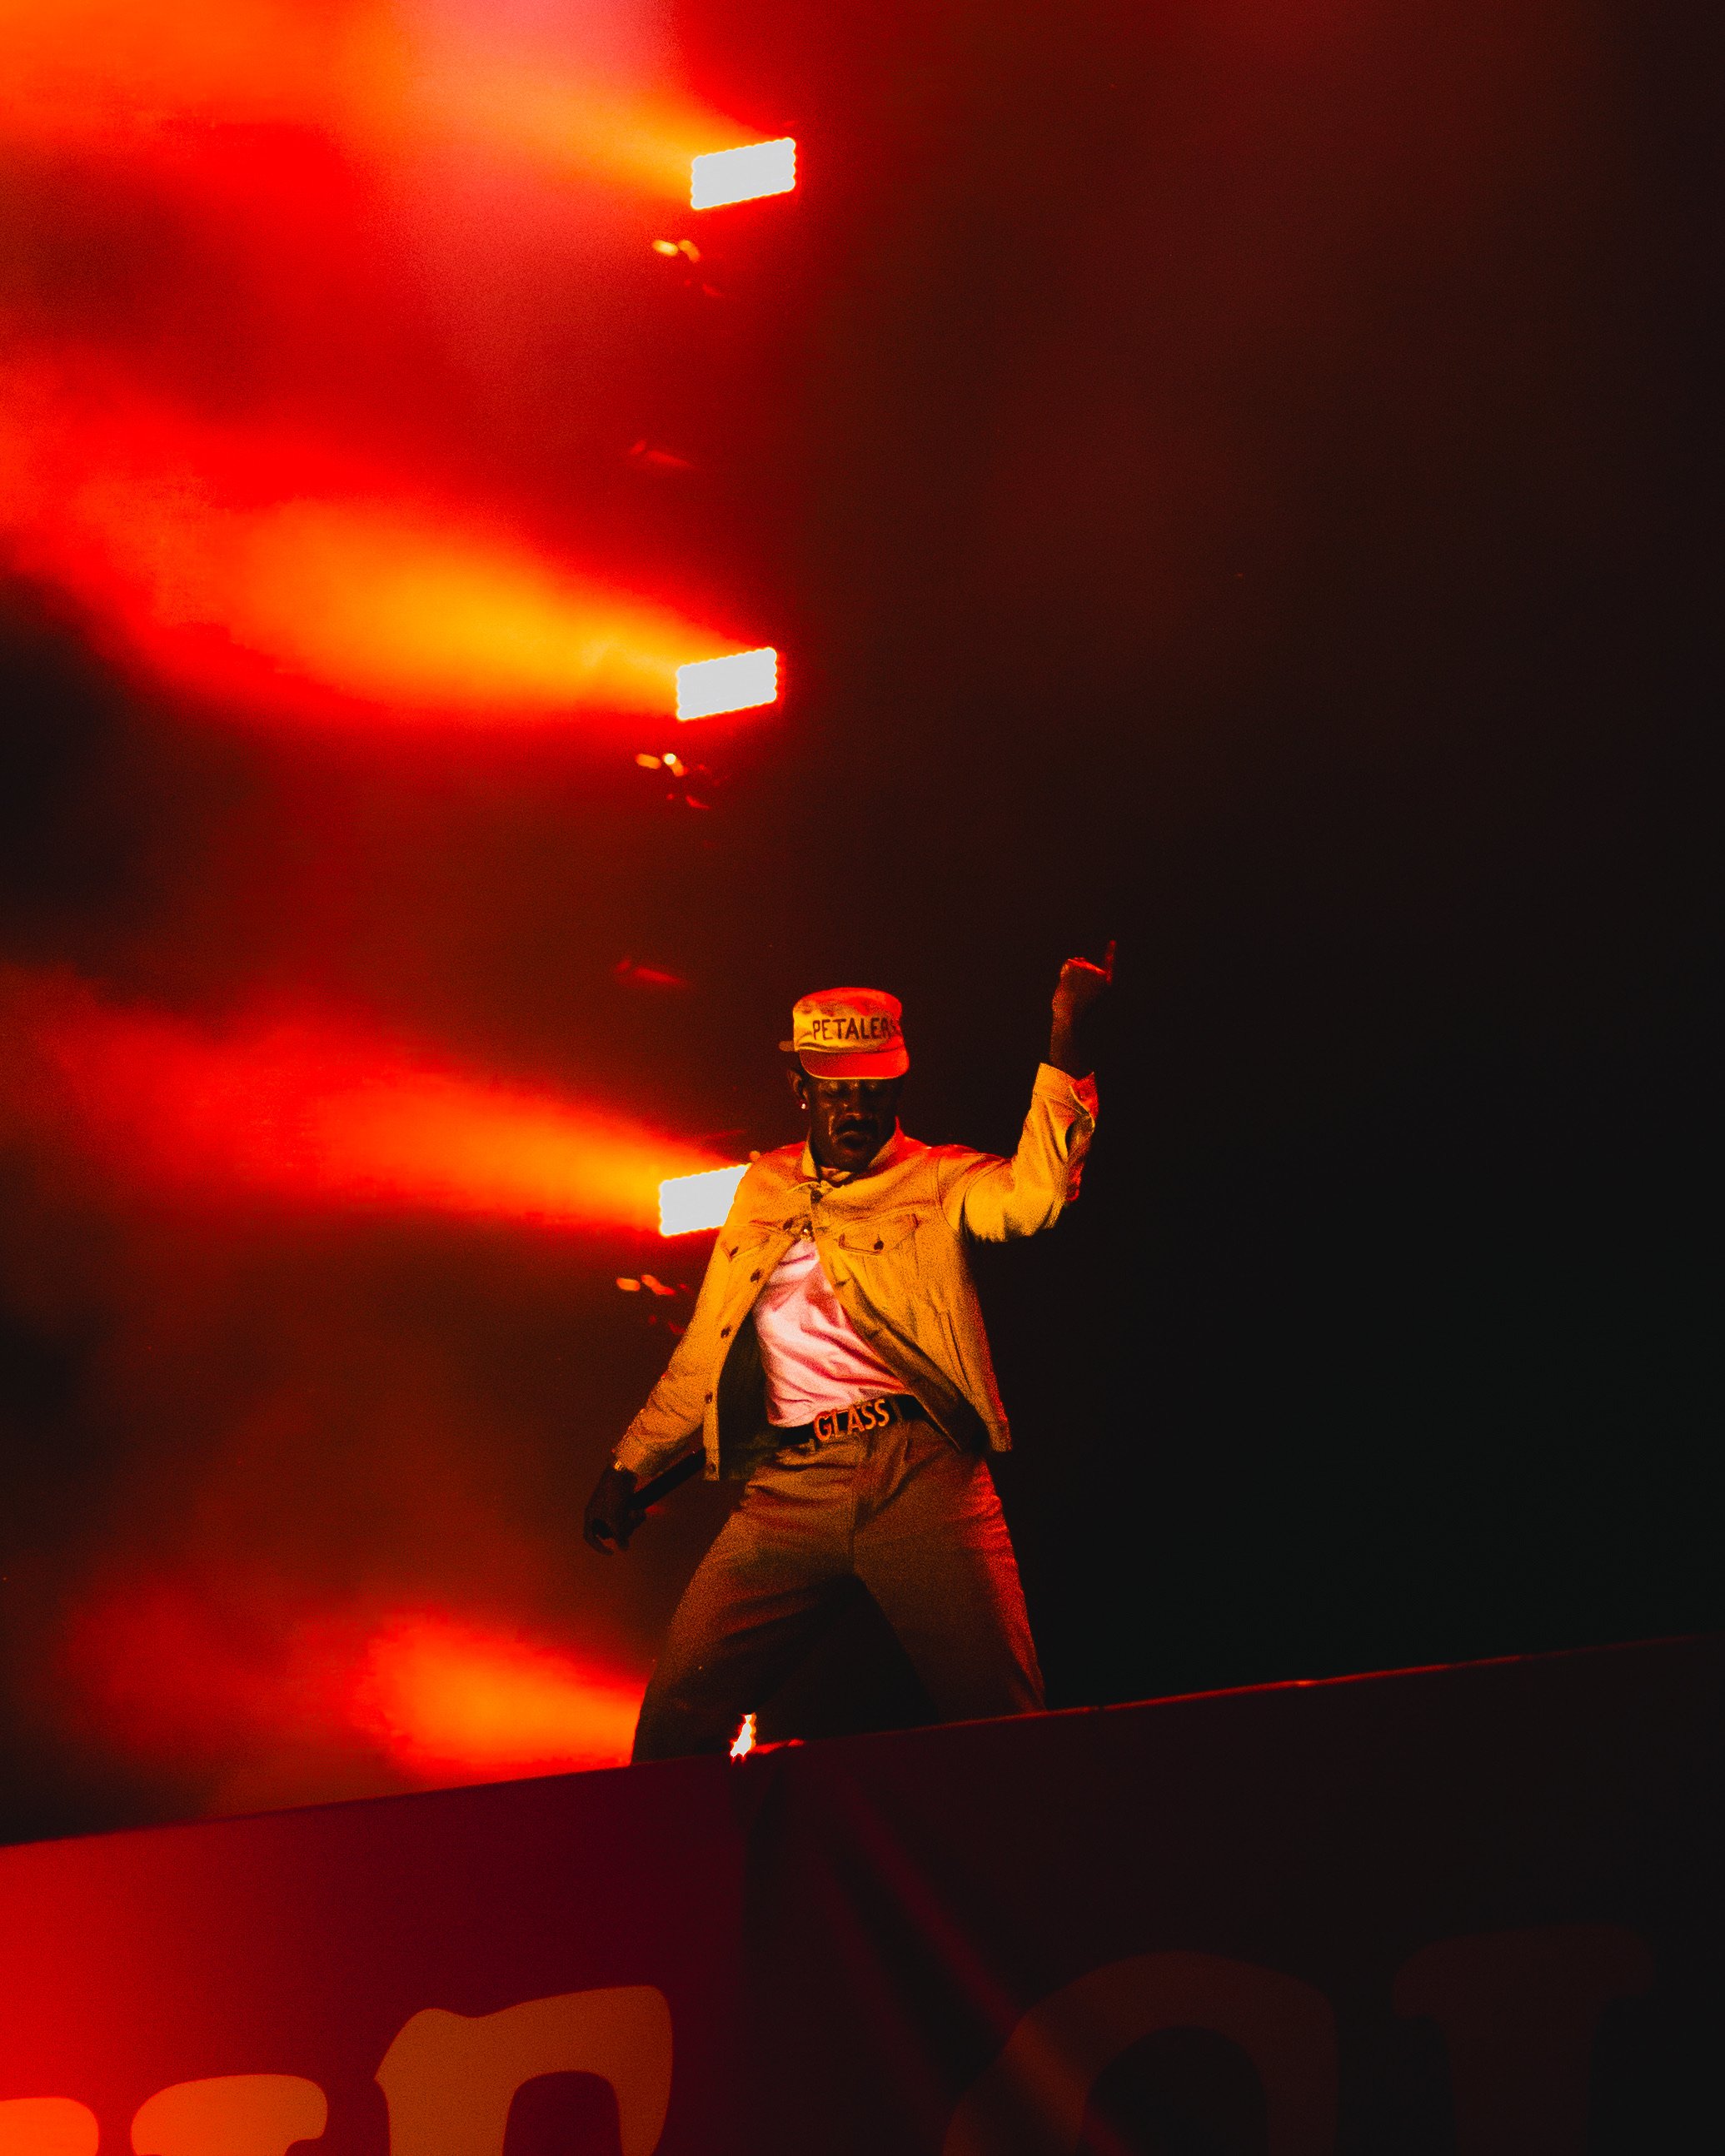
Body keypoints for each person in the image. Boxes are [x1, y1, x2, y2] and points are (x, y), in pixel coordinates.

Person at [584, 949, 1114, 1760]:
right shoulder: (760, 1187)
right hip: (789, 1491)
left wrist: (1066, 1039)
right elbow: (707, 1348)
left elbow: (1034, 1201)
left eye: (874, 1089)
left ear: (895, 1091)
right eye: (838, 1089)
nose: (857, 1108)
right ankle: (695, 1881)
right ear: (803, 1091)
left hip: (921, 1480)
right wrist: (631, 1464)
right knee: (673, 1730)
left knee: (1004, 1728)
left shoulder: (935, 1178)